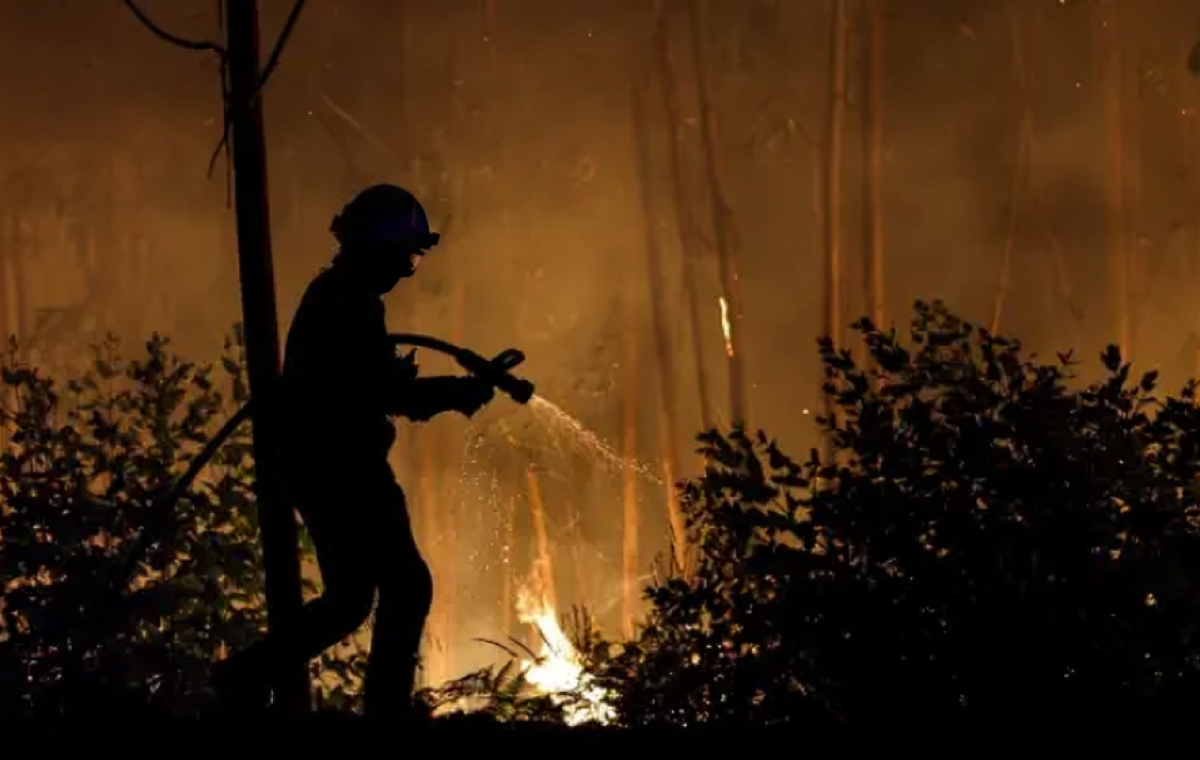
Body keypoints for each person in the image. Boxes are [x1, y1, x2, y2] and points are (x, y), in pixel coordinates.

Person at [212, 183, 496, 721]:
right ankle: (383, 718)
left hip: (330, 465)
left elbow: (376, 383)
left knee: (349, 601)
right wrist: (453, 393)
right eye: (401, 258)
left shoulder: (352, 300)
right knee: (407, 586)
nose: (404, 271)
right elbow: (380, 392)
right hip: (339, 469)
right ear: (373, 247)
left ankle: (245, 678)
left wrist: (438, 388)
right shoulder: (340, 303)